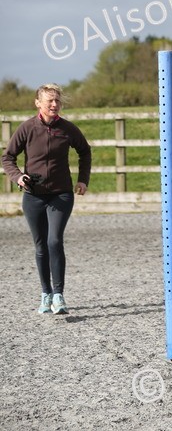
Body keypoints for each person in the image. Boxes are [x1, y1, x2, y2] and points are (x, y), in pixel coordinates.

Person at [1, 84, 91, 315]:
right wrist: (18, 177)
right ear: (38, 103)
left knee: (54, 241)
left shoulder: (67, 129)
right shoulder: (27, 128)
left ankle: (59, 295)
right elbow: (8, 157)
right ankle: (45, 293)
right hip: (33, 196)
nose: (54, 105)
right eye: (49, 101)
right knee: (40, 246)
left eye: (57, 101)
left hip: (61, 194)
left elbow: (85, 151)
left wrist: (83, 180)